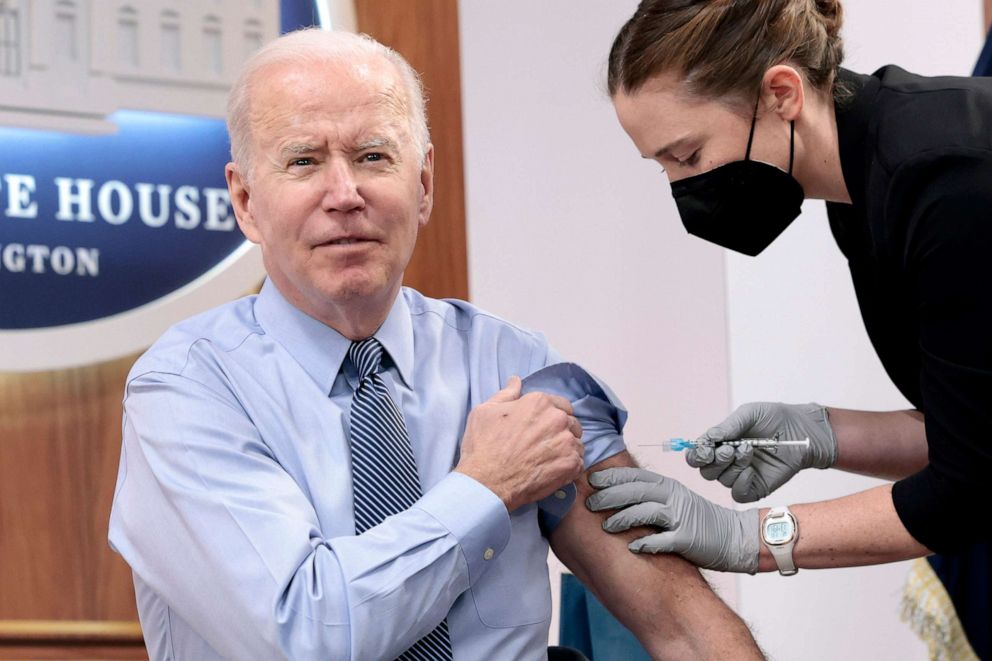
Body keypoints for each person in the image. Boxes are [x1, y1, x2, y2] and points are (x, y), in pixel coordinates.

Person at [108, 28, 763, 660]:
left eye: (373, 156)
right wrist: (483, 486)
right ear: (246, 200)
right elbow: (307, 632)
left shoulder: (520, 368)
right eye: (304, 160)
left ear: (422, 184)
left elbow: (682, 622)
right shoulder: (186, 388)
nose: (345, 195)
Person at [589, 0, 992, 633]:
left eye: (688, 156)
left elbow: (969, 491)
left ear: (781, 93)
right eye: (662, 165)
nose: (679, 187)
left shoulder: (946, 182)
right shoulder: (863, 187)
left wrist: (746, 537)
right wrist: (817, 434)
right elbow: (975, 430)